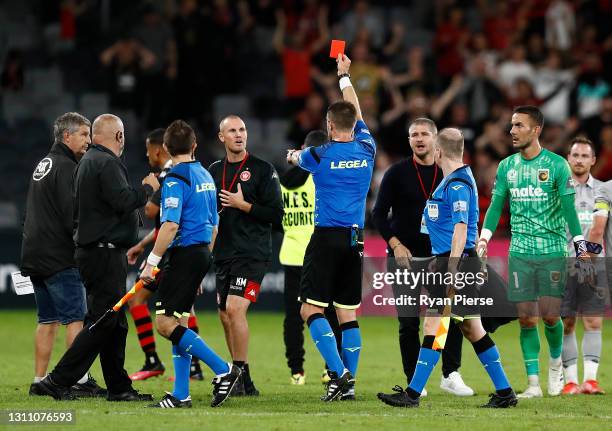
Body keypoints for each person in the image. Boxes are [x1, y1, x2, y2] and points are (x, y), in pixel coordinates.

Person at [378, 128, 517, 409]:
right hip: (451, 260)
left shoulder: (457, 185)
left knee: (434, 324)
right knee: (471, 328)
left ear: (439, 152)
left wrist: (450, 267)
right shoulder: (454, 181)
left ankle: (412, 394)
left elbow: (461, 228)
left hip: (455, 264)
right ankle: (505, 392)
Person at [36, 114, 159, 401]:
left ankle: (119, 387)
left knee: (114, 323)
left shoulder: (90, 160)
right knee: (104, 321)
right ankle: (57, 380)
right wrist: (148, 189)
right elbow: (124, 201)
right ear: (119, 136)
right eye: (123, 135)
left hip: (101, 252)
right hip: (102, 253)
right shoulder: (104, 162)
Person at [477, 106, 592, 398]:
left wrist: (580, 245)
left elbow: (569, 210)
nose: (512, 131)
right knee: (527, 319)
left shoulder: (556, 166)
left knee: (552, 317)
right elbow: (495, 205)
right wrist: (484, 238)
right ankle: (532, 384)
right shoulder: (506, 167)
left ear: (536, 130)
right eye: (512, 125)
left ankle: (555, 369)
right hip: (520, 253)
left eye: (518, 125)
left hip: (553, 250)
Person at [286, 53, 374, 401]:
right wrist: (345, 77)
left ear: (329, 124)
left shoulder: (318, 155)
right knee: (348, 312)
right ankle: (349, 379)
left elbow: (296, 160)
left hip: (326, 237)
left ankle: (338, 376)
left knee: (310, 309)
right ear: (354, 124)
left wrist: (292, 155)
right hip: (356, 238)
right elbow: (357, 113)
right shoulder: (367, 147)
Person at [140, 120, 241, 408]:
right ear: (195, 146)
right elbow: (215, 225)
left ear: (167, 149)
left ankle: (223, 369)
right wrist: (203, 263)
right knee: (180, 323)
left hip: (183, 254)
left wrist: (151, 262)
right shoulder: (205, 175)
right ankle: (181, 394)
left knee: (163, 323)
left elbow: (170, 225)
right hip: (201, 253)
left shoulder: (174, 179)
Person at [373, 117, 474, 403]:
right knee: (408, 323)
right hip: (404, 260)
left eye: (424, 134)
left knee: (449, 319)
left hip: (439, 259)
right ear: (408, 141)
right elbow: (378, 214)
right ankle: (413, 380)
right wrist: (395, 244)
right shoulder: (396, 173)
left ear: (435, 140)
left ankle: (450, 374)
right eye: (413, 134)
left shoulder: (450, 173)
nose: (419, 139)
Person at [23, 112, 105, 398]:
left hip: (35, 255)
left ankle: (39, 379)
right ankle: (78, 379)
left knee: (47, 320)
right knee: (75, 319)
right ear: (66, 136)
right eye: (84, 134)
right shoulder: (68, 167)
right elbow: (73, 214)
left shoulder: (43, 164)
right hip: (59, 257)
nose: (89, 140)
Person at [208, 115, 284, 396]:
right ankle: (244, 380)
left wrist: (244, 205)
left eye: (242, 129)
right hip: (224, 253)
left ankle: (235, 374)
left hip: (252, 252)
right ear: (221, 137)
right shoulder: (213, 170)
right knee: (224, 315)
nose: (239, 135)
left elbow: (277, 216)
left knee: (235, 309)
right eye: (232, 130)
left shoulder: (263, 170)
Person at [126, 128, 204, 381]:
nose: (147, 155)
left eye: (148, 150)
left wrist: (150, 188)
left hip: (175, 254)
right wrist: (142, 245)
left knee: (144, 304)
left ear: (158, 149)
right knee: (183, 311)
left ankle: (156, 361)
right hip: (188, 250)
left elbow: (152, 212)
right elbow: (166, 224)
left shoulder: (170, 176)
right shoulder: (196, 173)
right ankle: (192, 371)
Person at [279, 129, 342, 387]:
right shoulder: (321, 177)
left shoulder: (282, 181)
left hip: (291, 253)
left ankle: (297, 370)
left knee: (293, 317)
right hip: (318, 254)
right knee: (328, 313)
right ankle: (330, 368)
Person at [562, 137, 606, 395]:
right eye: (575, 155)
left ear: (593, 160)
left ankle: (590, 380)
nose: (579, 160)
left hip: (595, 266)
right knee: (566, 323)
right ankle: (570, 381)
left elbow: (602, 230)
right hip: (564, 264)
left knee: (593, 322)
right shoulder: (558, 191)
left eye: (584, 156)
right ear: (568, 159)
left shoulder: (603, 191)